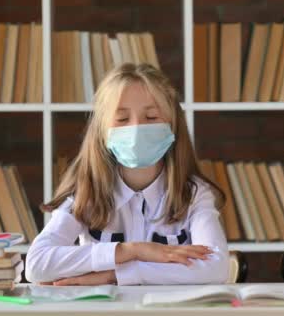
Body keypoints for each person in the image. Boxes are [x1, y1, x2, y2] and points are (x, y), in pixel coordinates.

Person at [25, 63, 229, 285]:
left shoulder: (194, 194)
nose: (136, 129)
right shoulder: (86, 192)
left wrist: (115, 275)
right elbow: (36, 266)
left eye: (151, 117)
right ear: (102, 132)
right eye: (122, 120)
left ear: (173, 127)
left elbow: (216, 269)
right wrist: (134, 251)